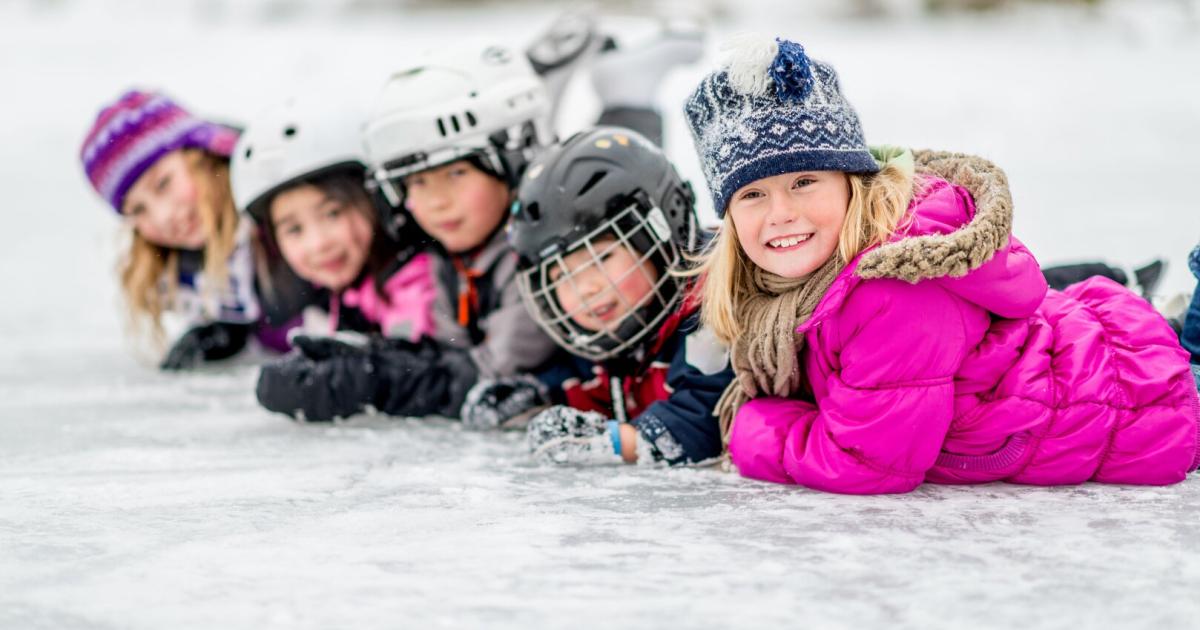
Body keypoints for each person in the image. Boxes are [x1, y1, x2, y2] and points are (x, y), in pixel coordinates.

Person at [683, 36, 1199, 494]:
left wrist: (751, 429)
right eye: (752, 193)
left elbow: (866, 462)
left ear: (852, 182)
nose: (781, 213)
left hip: (1147, 411)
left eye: (803, 182)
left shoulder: (891, 292)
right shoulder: (797, 285)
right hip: (1104, 367)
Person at [463, 126, 732, 466]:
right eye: (563, 276)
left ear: (662, 231)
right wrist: (537, 393)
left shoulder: (712, 305)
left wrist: (615, 443)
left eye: (602, 258)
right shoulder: (616, 327)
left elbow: (706, 418)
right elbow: (585, 378)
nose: (586, 287)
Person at [80, 90, 308, 369]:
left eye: (163, 183)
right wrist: (228, 331)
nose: (163, 216)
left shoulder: (290, 206)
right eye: (138, 210)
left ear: (203, 155)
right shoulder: (198, 278)